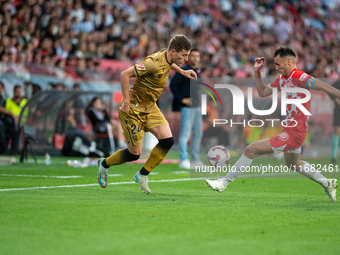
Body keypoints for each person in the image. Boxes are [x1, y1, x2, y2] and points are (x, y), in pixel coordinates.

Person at [205, 46, 339, 202]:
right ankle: (327, 183)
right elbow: (262, 92)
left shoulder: (300, 77)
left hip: (294, 134)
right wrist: (257, 72)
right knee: (294, 164)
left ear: (288, 61)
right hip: (291, 130)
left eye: (278, 64)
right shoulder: (282, 80)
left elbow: (326, 87)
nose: (276, 67)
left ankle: (223, 183)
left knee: (250, 149)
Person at [97, 34, 197, 194]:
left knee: (167, 141)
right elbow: (124, 74)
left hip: (150, 108)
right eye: (184, 55)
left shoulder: (167, 56)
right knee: (133, 154)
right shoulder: (151, 64)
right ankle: (104, 164)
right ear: (173, 51)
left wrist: (182, 72)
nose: (186, 59)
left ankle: (142, 175)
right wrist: (127, 102)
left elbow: (168, 64)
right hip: (133, 110)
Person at [170, 48, 203, 169]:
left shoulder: (197, 71)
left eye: (197, 56)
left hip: (196, 106)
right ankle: (183, 160)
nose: (195, 58)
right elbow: (173, 85)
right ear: (189, 58)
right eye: (193, 56)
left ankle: (195, 160)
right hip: (187, 107)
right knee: (185, 133)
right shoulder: (183, 70)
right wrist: (182, 99)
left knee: (198, 133)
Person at [5, 85, 27, 154]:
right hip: (10, 124)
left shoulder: (25, 102)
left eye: (19, 92)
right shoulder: (8, 101)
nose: (18, 93)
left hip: (22, 124)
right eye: (17, 91)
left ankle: (16, 150)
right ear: (14, 92)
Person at [330, 79, 340, 163]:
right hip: (338, 110)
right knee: (337, 131)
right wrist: (336, 99)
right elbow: (330, 91)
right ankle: (334, 156)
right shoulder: (337, 83)